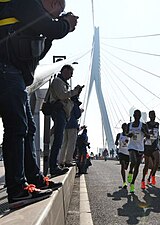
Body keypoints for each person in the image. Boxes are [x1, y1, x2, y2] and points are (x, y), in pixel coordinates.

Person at [0, 0, 78, 209]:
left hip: (14, 72)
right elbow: (50, 27)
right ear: (51, 2)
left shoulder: (28, 14)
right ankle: (17, 189)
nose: (57, 14)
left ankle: (33, 179)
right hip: (6, 70)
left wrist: (53, 31)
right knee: (17, 128)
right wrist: (65, 25)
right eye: (58, 10)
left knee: (28, 128)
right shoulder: (24, 2)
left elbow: (37, 52)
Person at [47, 64, 83, 176]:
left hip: (62, 113)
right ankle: (53, 166)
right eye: (70, 73)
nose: (71, 76)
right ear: (65, 71)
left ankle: (55, 165)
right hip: (59, 112)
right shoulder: (58, 81)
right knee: (58, 141)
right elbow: (63, 96)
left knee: (59, 140)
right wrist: (74, 92)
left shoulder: (62, 83)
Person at [126, 109, 149, 193]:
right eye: (135, 115)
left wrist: (144, 132)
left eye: (138, 115)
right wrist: (129, 134)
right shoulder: (130, 125)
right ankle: (130, 171)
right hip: (132, 146)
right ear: (133, 116)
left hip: (140, 148)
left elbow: (148, 136)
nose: (137, 116)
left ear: (140, 116)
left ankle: (132, 183)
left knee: (137, 166)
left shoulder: (143, 125)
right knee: (133, 161)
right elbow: (126, 134)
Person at [58, 95, 82, 167]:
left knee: (64, 144)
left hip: (65, 125)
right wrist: (79, 110)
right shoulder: (74, 104)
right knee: (71, 143)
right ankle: (68, 160)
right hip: (73, 125)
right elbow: (77, 115)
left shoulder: (67, 103)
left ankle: (61, 160)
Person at [141, 110, 160, 189]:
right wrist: (147, 134)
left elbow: (157, 133)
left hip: (155, 145)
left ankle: (152, 176)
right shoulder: (146, 124)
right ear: (149, 116)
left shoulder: (157, 124)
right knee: (147, 165)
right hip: (148, 145)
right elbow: (142, 131)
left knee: (157, 162)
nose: (153, 116)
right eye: (151, 115)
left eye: (154, 115)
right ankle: (143, 180)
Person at [115, 123, 130, 188]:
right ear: (122, 128)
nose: (125, 128)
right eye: (124, 127)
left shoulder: (129, 135)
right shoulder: (119, 135)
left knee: (126, 167)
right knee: (122, 166)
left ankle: (128, 175)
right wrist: (116, 142)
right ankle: (124, 182)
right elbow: (116, 142)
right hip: (121, 152)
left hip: (128, 153)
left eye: (126, 127)